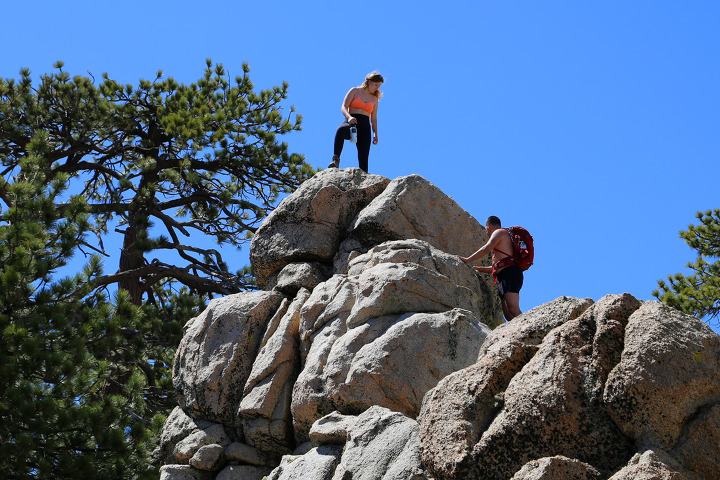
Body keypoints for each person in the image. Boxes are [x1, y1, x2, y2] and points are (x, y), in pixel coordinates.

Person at [459, 216, 523, 321]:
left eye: (486, 230)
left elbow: (487, 248)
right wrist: (479, 269)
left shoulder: (499, 233)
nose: (486, 233)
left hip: (510, 274)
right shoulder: (503, 237)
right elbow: (497, 267)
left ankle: (530, 329)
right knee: (508, 314)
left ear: (488, 227)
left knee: (513, 308)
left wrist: (467, 259)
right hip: (504, 275)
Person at [328, 72, 384, 172]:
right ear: (369, 81)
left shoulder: (374, 99)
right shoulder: (355, 91)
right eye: (376, 85)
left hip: (365, 127)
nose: (377, 88)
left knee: (364, 154)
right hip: (351, 121)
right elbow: (343, 107)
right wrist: (349, 117)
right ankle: (335, 159)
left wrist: (375, 134)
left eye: (379, 86)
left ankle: (364, 174)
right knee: (340, 130)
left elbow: (374, 119)